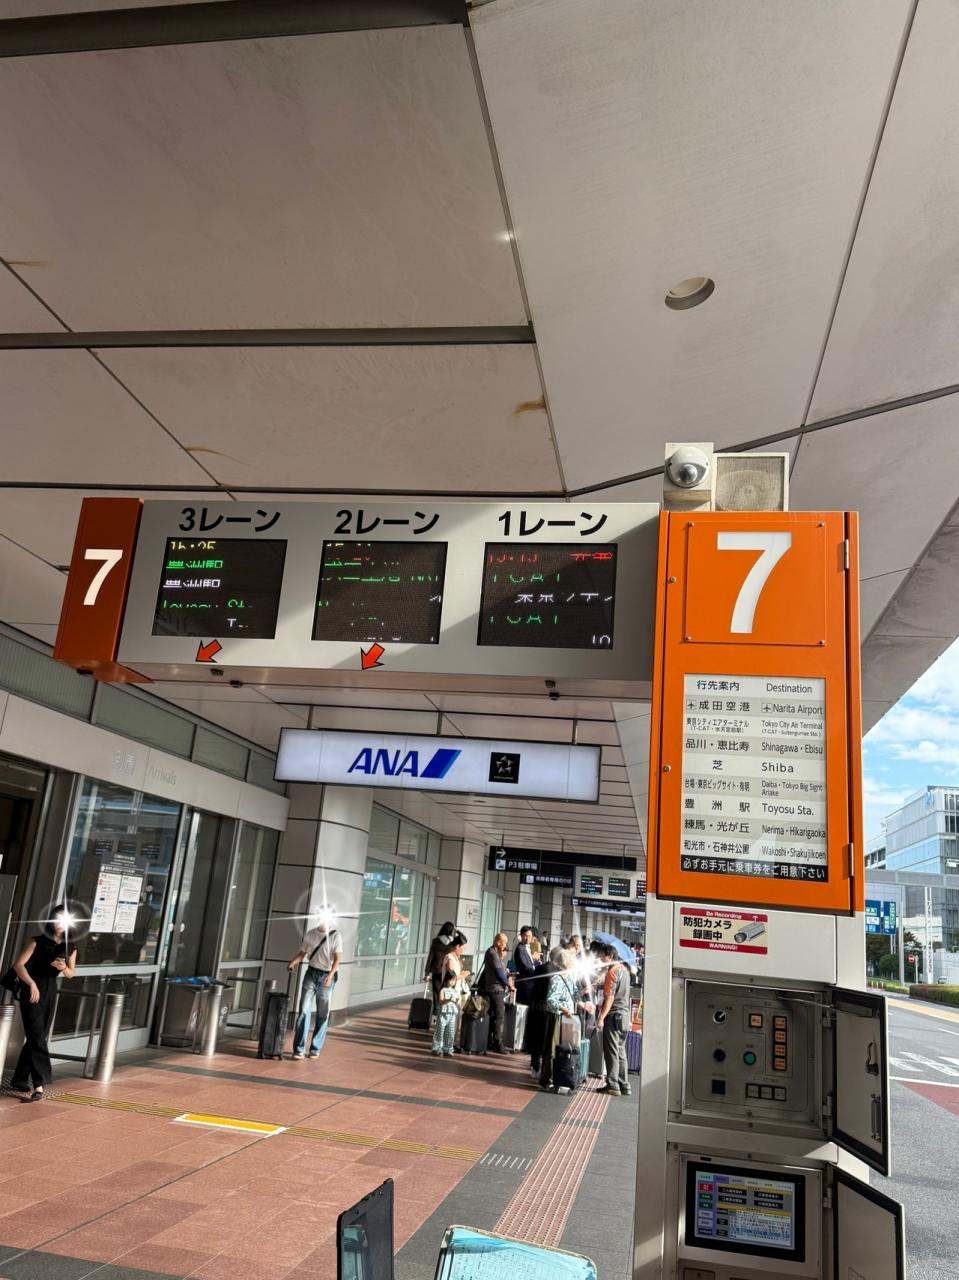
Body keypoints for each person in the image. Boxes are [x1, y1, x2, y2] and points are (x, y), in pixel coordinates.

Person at [9, 904, 77, 1102]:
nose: (60, 923)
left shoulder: (70, 946)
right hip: (32, 991)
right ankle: (39, 1085)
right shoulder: (37, 941)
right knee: (37, 1037)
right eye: (57, 918)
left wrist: (63, 967)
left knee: (37, 1036)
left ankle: (19, 1079)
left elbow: (71, 973)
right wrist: (31, 984)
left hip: (50, 992)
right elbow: (18, 965)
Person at [288, 908, 342, 1060]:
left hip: (326, 976)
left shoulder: (335, 935)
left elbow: (337, 959)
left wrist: (330, 976)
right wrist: (293, 963)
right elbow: (302, 954)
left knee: (322, 1014)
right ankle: (299, 1049)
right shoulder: (310, 934)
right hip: (311, 974)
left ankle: (315, 1048)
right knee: (303, 1011)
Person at [539, 947, 591, 1091]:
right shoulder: (556, 979)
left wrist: (583, 1001)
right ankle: (547, 1078)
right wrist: (563, 1008)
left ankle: (559, 1076)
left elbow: (574, 995)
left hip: (566, 1017)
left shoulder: (570, 978)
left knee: (564, 1046)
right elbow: (551, 1000)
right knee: (552, 1048)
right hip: (556, 1016)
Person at [595, 942, 631, 1097]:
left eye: (602, 957)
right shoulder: (625, 970)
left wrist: (601, 1017)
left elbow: (609, 998)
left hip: (613, 1015)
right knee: (621, 1051)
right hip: (624, 1015)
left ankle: (612, 1084)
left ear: (609, 956)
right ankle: (624, 1085)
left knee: (611, 1051)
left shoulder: (612, 973)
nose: (600, 959)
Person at [480, 932, 515, 1054]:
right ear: (499, 942)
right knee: (500, 1016)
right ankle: (497, 1042)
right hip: (495, 989)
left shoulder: (493, 953)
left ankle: (489, 1041)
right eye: (505, 943)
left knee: (493, 1015)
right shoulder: (492, 953)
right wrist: (509, 985)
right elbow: (499, 973)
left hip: (493, 988)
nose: (505, 946)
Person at [425, 921, 455, 1013]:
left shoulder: (436, 941)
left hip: (437, 970)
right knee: (447, 992)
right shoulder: (453, 942)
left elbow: (430, 957)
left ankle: (436, 1011)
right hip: (448, 971)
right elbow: (463, 939)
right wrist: (458, 931)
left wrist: (427, 973)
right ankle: (445, 1012)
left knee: (436, 992)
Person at [431, 969, 461, 1058]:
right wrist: (448, 999)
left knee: (450, 1031)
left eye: (454, 980)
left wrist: (457, 999)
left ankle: (448, 1049)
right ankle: (437, 1048)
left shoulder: (454, 991)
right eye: (451, 980)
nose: (452, 982)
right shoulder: (443, 990)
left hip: (452, 1014)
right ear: (446, 980)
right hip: (443, 1014)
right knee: (440, 1031)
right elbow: (441, 1001)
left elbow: (456, 1002)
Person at [513, 925, 538, 1005]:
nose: (527, 938)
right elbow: (525, 967)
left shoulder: (526, 947)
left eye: (529, 936)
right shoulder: (520, 949)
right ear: (521, 935)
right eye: (525, 936)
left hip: (528, 983)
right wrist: (537, 972)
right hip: (524, 984)